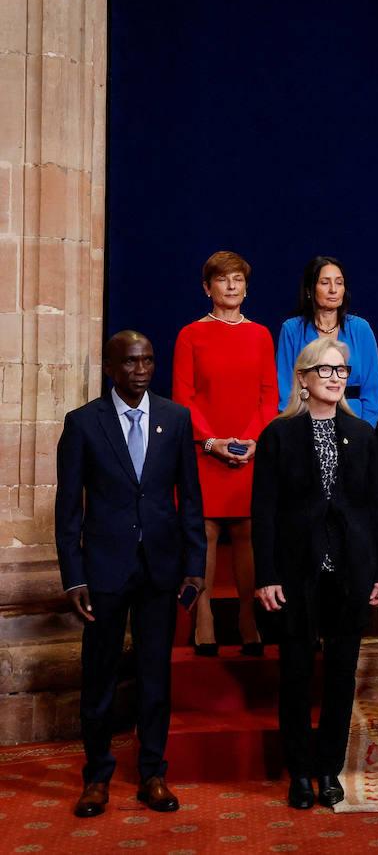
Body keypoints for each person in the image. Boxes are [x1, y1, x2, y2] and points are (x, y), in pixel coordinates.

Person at [55, 331, 206, 819]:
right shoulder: (82, 424)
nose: (141, 369)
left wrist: (195, 566)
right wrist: (73, 577)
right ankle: (96, 778)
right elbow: (67, 511)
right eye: (131, 362)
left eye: (148, 360)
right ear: (110, 367)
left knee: (154, 675)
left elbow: (190, 499)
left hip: (160, 570)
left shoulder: (175, 418)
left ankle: (153, 774)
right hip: (103, 571)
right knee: (98, 677)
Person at [252, 338, 378, 810]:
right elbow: (264, 512)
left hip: (349, 572)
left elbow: (376, 509)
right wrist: (266, 575)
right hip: (296, 572)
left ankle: (328, 770)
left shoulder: (363, 434)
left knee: (340, 677)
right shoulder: (279, 434)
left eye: (341, 371)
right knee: (294, 676)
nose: (335, 378)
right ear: (304, 378)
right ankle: (298, 773)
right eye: (326, 370)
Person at [172, 250, 277, 657]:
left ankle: (249, 619)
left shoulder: (260, 335)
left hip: (250, 451)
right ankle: (205, 619)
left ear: (246, 287)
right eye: (223, 280)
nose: (232, 286)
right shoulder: (191, 335)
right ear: (207, 287)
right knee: (207, 533)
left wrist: (251, 440)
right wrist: (212, 442)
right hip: (205, 450)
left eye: (238, 280)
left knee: (249, 532)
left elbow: (269, 397)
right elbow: (183, 397)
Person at [275, 256, 378, 426]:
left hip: (355, 422)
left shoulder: (361, 329)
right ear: (310, 290)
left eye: (339, 283)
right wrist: (297, 432)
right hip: (304, 422)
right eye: (325, 283)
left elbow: (373, 395)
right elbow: (285, 391)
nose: (333, 289)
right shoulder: (291, 330)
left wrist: (362, 434)